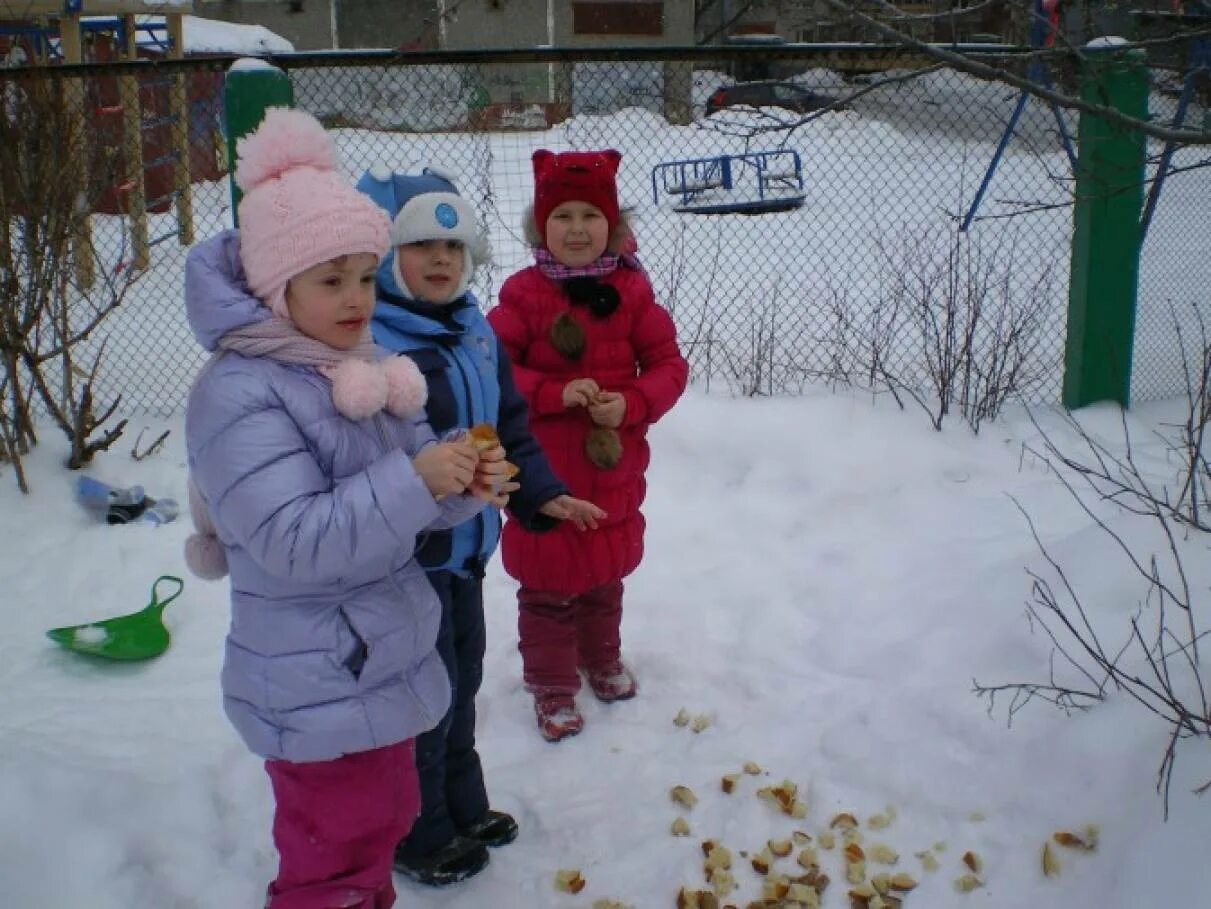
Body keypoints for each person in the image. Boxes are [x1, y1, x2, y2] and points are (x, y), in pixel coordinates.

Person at [181, 108, 514, 909]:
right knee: (333, 853)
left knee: (382, 820)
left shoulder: (362, 365)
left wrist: (457, 483)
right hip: (313, 676)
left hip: (374, 658)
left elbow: (406, 504)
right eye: (330, 280)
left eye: (364, 276)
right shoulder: (240, 393)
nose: (357, 298)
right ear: (274, 286)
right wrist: (415, 480)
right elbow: (293, 540)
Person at [355, 164, 605, 885]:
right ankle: (415, 828)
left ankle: (461, 805)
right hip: (408, 559)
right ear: (387, 259)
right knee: (421, 695)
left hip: (466, 552)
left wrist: (540, 495)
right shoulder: (375, 346)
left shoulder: (473, 332)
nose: (442, 262)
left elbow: (511, 430)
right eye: (424, 248)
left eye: (455, 250)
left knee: (460, 682)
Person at [488, 149, 689, 742]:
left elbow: (668, 365)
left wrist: (631, 403)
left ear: (613, 226)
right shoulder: (522, 296)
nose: (577, 229)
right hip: (543, 474)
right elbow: (492, 370)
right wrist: (552, 393)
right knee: (548, 587)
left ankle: (601, 657)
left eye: (590, 216)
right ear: (540, 227)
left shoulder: (632, 293)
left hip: (611, 470)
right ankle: (551, 686)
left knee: (604, 577)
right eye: (563, 217)